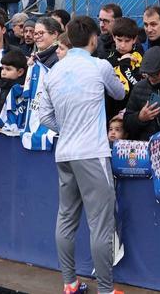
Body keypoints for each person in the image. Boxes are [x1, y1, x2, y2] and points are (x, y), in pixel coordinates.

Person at [34, 15, 125, 294]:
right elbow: (120, 94)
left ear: (68, 39)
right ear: (94, 39)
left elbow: (43, 115)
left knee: (66, 218)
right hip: (92, 153)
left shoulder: (54, 71)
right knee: (100, 224)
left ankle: (69, 283)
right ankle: (106, 290)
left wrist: (67, 126)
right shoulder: (100, 65)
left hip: (65, 153)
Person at [106, 17, 143, 120]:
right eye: (119, 40)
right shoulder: (107, 58)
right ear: (113, 37)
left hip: (131, 112)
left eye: (127, 41)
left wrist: (124, 65)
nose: (122, 45)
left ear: (134, 39)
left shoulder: (139, 58)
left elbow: (137, 86)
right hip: (110, 112)